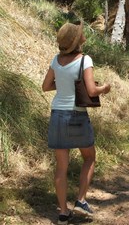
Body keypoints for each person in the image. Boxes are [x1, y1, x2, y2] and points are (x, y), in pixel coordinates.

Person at [42, 22, 111, 225]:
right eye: (81, 34)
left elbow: (46, 86)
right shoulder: (85, 60)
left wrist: (63, 83)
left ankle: (63, 213)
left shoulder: (56, 60)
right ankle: (81, 200)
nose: (84, 36)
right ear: (76, 40)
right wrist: (105, 88)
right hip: (77, 116)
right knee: (89, 157)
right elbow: (91, 91)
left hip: (57, 115)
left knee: (61, 167)